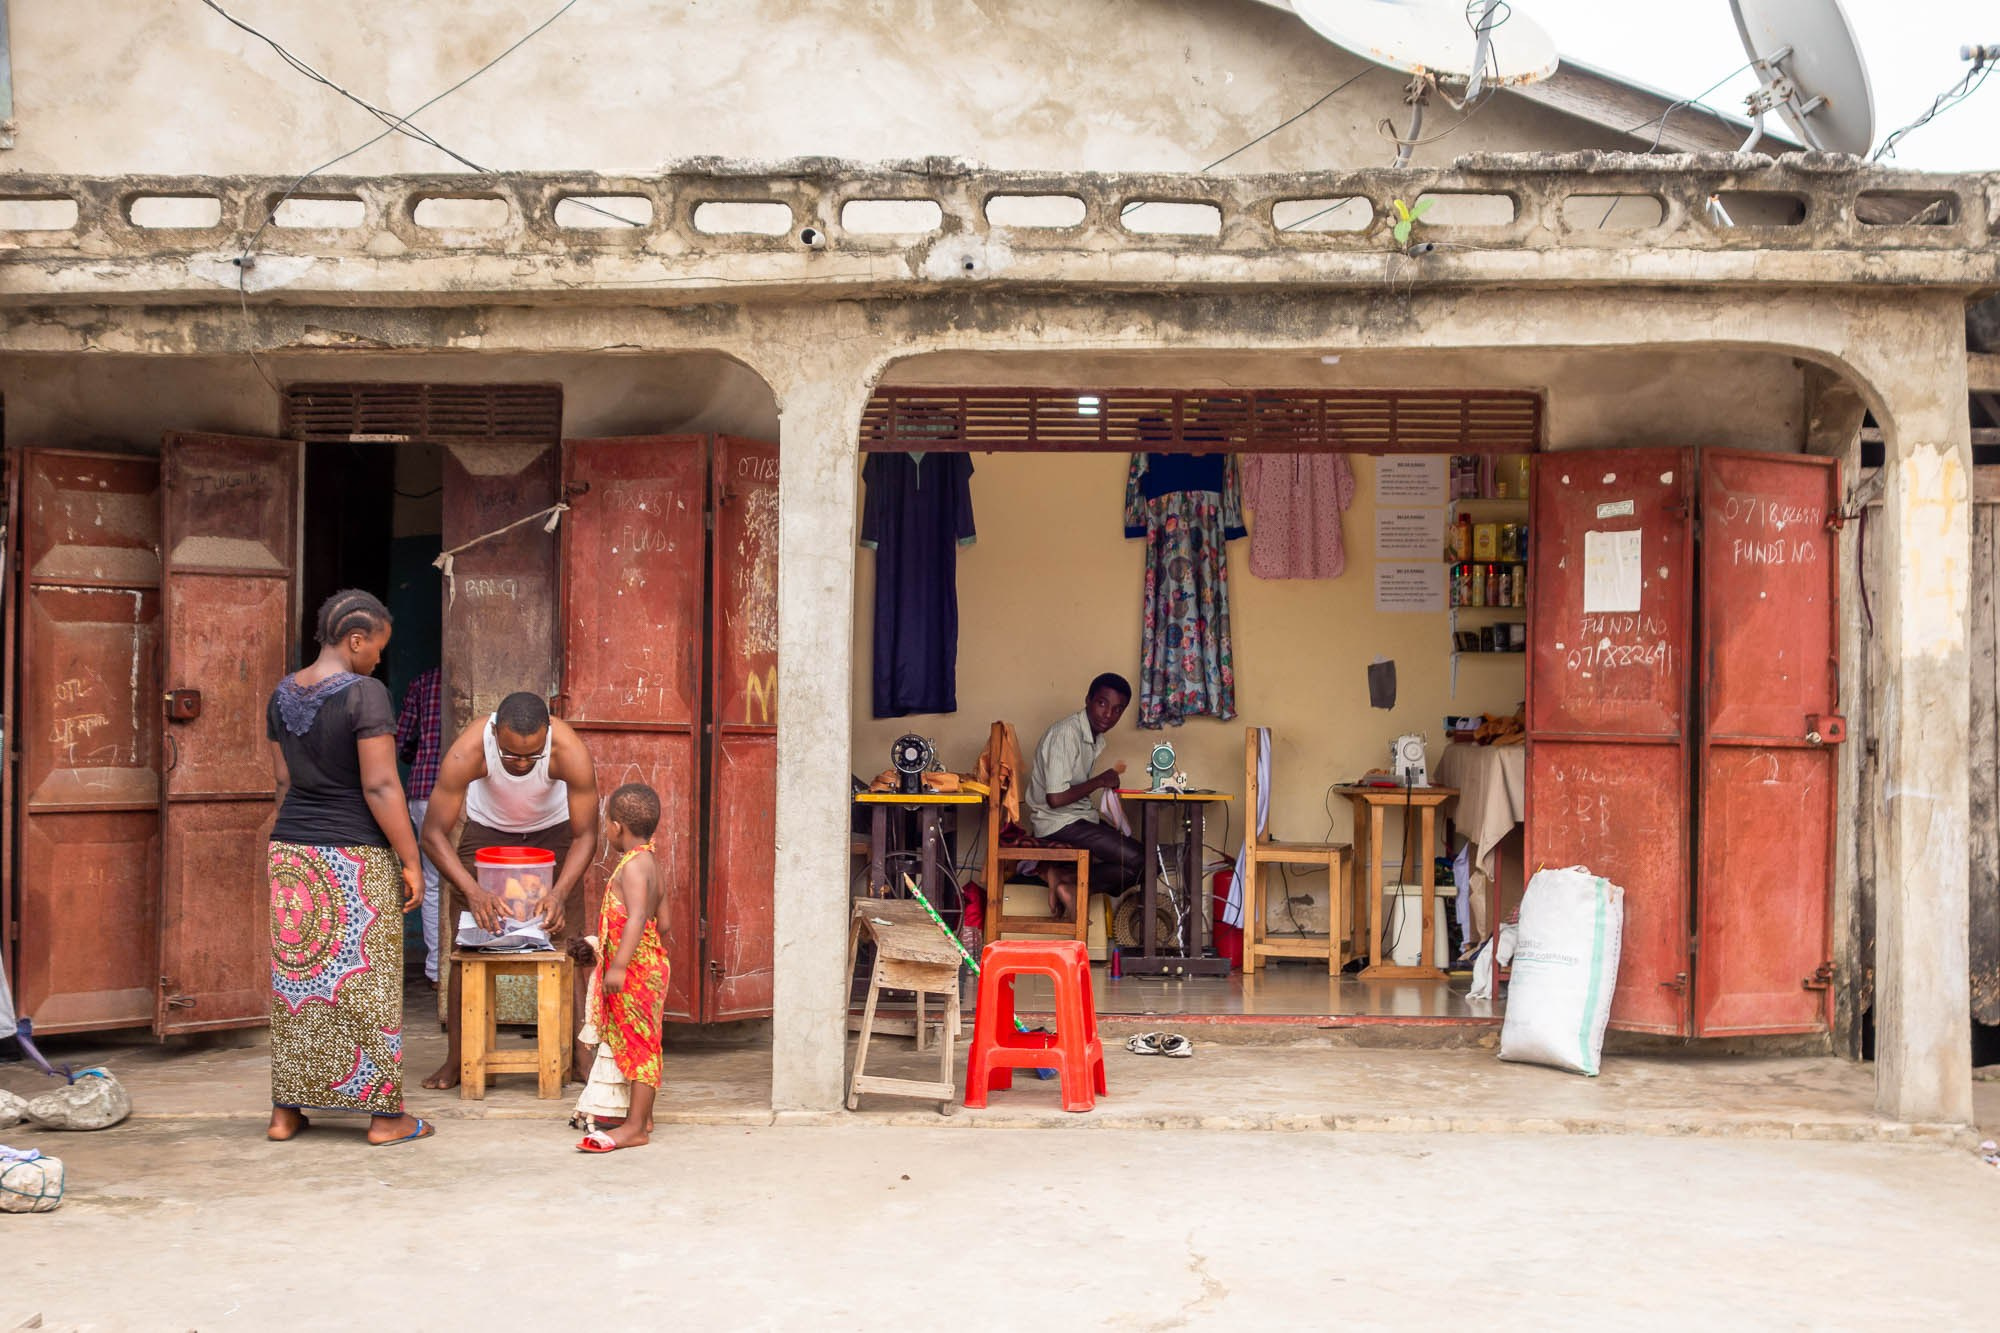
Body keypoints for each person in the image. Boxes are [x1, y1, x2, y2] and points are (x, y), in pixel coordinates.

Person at [265, 589, 433, 1147]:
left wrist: (293, 848)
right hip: (354, 857)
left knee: (298, 987)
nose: (380, 659)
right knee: (367, 987)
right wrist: (411, 859)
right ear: (355, 640)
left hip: (292, 854)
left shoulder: (281, 693)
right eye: (378, 647)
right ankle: (385, 1118)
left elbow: (283, 781)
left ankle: (286, 1113)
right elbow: (381, 785)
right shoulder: (365, 694)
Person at [420, 691, 599, 1090]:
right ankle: (457, 1059)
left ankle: (581, 1057)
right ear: (494, 733)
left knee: (568, 943)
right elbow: (432, 834)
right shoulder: (471, 749)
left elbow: (586, 835)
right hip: (487, 835)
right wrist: (473, 891)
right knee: (466, 945)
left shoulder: (569, 751)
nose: (521, 763)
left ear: (547, 734)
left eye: (532, 755)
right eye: (510, 754)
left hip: (554, 835)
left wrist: (558, 892)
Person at [576, 783, 668, 1154]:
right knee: (639, 1041)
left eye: (606, 824)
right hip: (649, 966)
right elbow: (663, 922)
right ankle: (642, 1117)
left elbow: (638, 917)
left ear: (617, 826)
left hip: (634, 971)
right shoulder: (652, 863)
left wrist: (618, 965)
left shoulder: (632, 866)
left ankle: (635, 1128)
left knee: (641, 1047)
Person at [1024, 673, 1144, 918]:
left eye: (1117, 710)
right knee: (1143, 860)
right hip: (1057, 822)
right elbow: (1055, 799)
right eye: (1102, 703)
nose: (1108, 714)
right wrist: (1100, 781)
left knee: (1143, 862)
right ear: (1088, 700)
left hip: (1078, 817)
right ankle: (1069, 882)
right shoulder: (1067, 733)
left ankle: (1067, 880)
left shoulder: (1092, 737)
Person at [395, 666, 445, 985]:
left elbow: (401, 741)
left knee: (432, 880)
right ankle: (471, 968)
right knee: (474, 877)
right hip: (474, 794)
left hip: (426, 789)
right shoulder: (486, 673)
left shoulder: (423, 683)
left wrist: (420, 751)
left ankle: (436, 971)